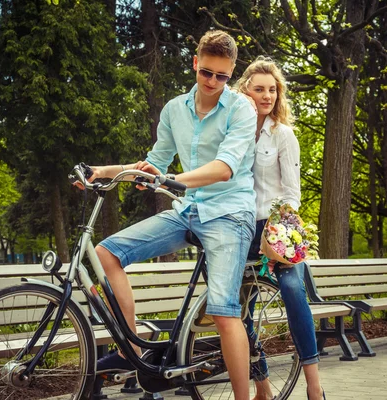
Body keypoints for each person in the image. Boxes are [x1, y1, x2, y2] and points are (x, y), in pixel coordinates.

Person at [86, 30, 257, 399]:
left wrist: (173, 179)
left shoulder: (242, 109)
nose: (213, 82)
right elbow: (154, 165)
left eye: (222, 76)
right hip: (188, 210)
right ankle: (129, 350)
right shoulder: (174, 109)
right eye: (206, 72)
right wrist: (101, 172)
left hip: (230, 213)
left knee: (224, 310)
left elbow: (225, 167)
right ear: (195, 63)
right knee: (105, 253)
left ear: (231, 73)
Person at [233, 57, 325, 400]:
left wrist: (277, 235)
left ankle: (314, 387)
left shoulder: (284, 134)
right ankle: (262, 387)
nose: (267, 95)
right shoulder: (235, 132)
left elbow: (291, 194)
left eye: (272, 89)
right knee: (240, 308)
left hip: (277, 227)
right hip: (241, 227)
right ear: (246, 91)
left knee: (292, 289)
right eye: (259, 89)